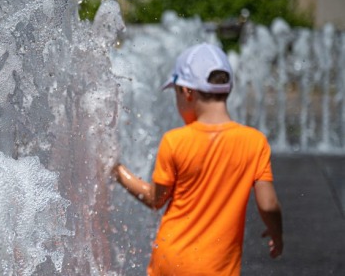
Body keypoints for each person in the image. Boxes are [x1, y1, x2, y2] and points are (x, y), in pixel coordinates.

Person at [114, 43, 283, 275]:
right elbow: (268, 205)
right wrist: (276, 233)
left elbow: (155, 199)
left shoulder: (175, 141)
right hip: (219, 268)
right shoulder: (255, 142)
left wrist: (116, 170)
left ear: (187, 92)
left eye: (176, 94)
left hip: (171, 262)